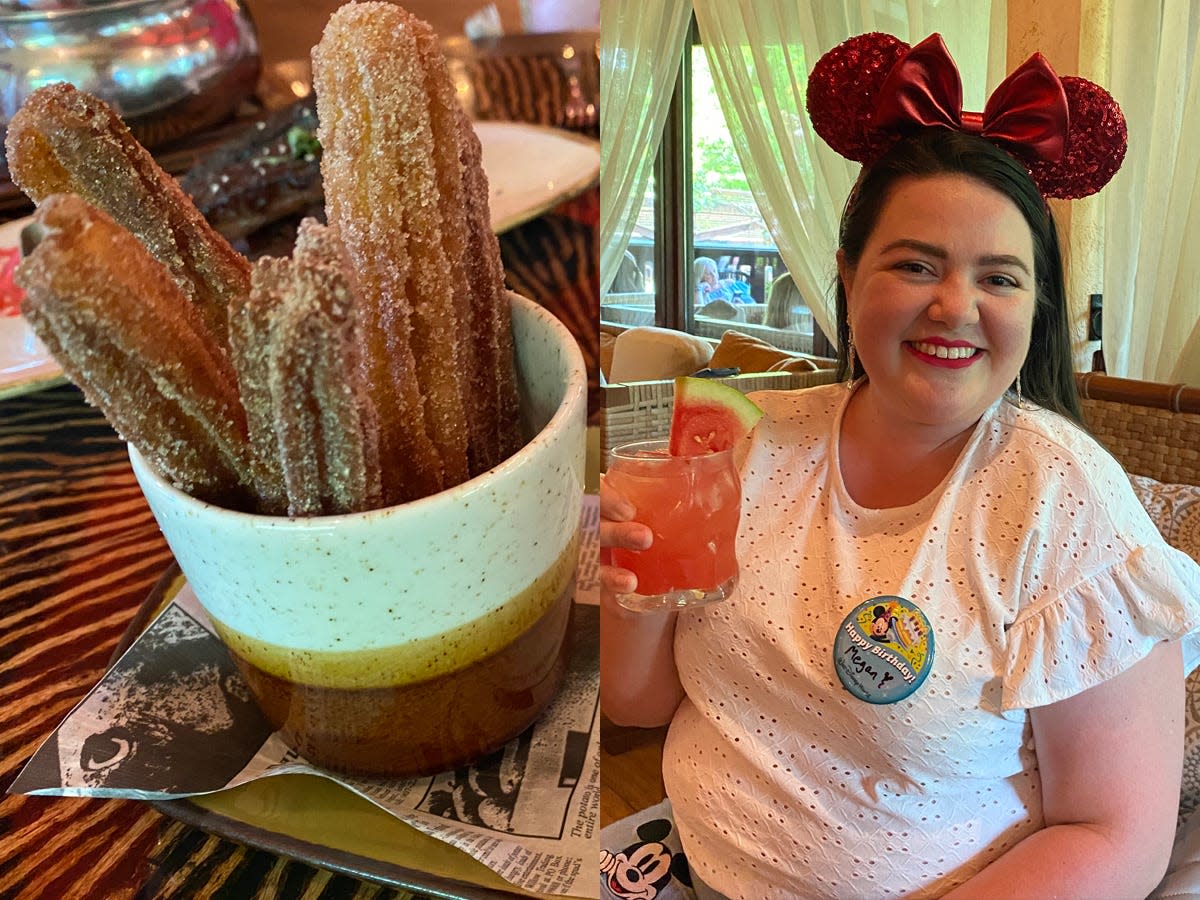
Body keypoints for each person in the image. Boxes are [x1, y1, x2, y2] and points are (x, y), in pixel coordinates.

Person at [600, 32, 1200, 900]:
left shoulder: (1064, 501)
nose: (955, 306)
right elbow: (639, 705)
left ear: (1037, 307)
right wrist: (640, 588)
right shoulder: (748, 439)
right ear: (847, 279)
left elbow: (1117, 835)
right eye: (914, 264)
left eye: (1000, 278)